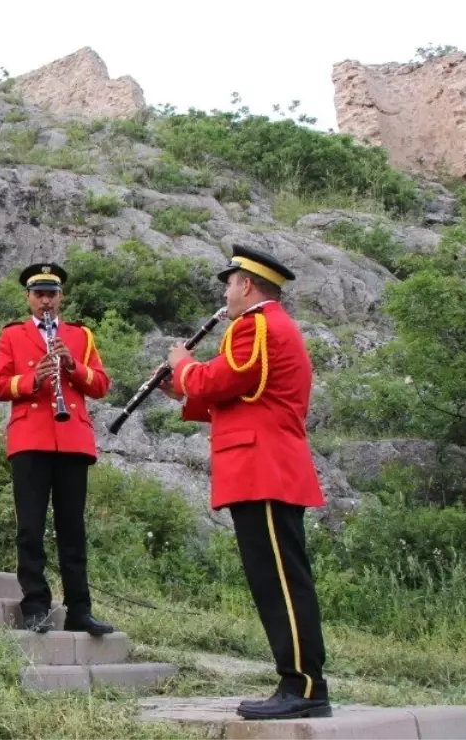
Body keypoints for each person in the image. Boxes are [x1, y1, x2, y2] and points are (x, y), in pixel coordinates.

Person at [163, 244, 330, 721]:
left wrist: (182, 364)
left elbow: (226, 377)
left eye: (229, 283)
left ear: (247, 285)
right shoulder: (266, 327)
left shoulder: (256, 325)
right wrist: (183, 385)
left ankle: (305, 685)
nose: (226, 291)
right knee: (274, 580)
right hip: (264, 467)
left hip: (266, 468)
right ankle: (296, 680)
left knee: (282, 581)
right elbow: (243, 391)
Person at [0, 263, 115, 636]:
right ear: (28, 297)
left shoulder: (80, 335)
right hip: (30, 439)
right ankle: (35, 606)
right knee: (30, 527)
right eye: (39, 294)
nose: (46, 300)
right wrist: (33, 380)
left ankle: (80, 610)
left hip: (73, 440)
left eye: (52, 294)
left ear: (61, 298)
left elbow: (101, 385)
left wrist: (73, 367)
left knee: (72, 529)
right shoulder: (12, 335)